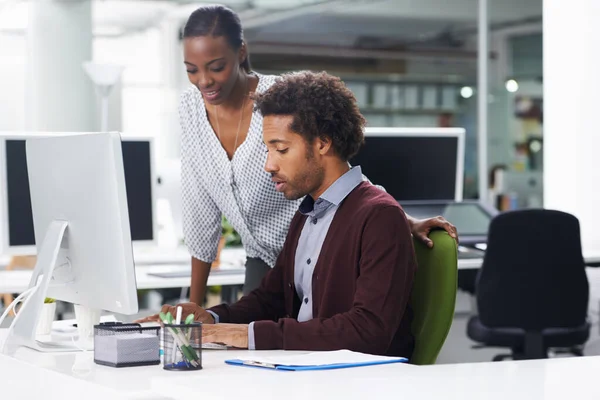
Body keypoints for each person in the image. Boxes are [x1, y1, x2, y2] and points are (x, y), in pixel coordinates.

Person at [178, 4, 457, 304]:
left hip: (322, 250)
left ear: (241, 52)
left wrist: (398, 219)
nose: (203, 81)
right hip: (263, 260)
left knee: (308, 338)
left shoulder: (279, 100)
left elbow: (337, 169)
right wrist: (192, 311)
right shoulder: (190, 110)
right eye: (192, 70)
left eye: (216, 67)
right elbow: (199, 208)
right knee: (247, 337)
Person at [139, 71, 421, 357]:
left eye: (281, 149)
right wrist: (212, 319)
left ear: (322, 143)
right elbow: (270, 300)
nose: (269, 165)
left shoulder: (379, 217)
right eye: (267, 149)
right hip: (304, 370)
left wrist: (243, 334)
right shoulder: (307, 213)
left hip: (354, 381)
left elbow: (369, 331)